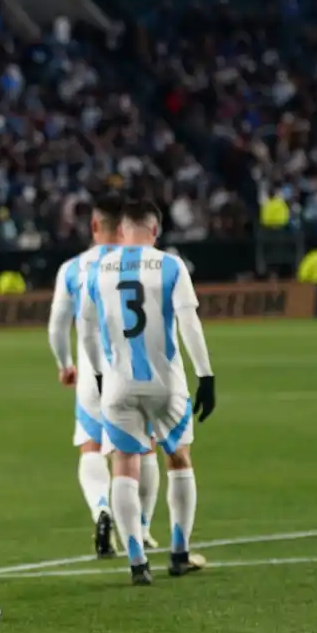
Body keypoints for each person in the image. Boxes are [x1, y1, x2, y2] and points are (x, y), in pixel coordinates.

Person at [77, 200, 216, 585]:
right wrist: (206, 376)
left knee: (124, 464)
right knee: (179, 458)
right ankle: (178, 552)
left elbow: (86, 330)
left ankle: (137, 562)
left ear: (121, 233)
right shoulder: (171, 266)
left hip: (118, 383)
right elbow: (189, 323)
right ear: (155, 231)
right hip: (165, 382)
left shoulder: (98, 268)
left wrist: (101, 375)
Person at [46, 193, 163, 558]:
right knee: (144, 451)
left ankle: (102, 508)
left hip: (92, 373)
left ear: (94, 225)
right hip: (138, 369)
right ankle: (140, 528)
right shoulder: (147, 264)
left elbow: (57, 326)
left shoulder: (74, 269)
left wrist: (65, 363)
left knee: (91, 446)